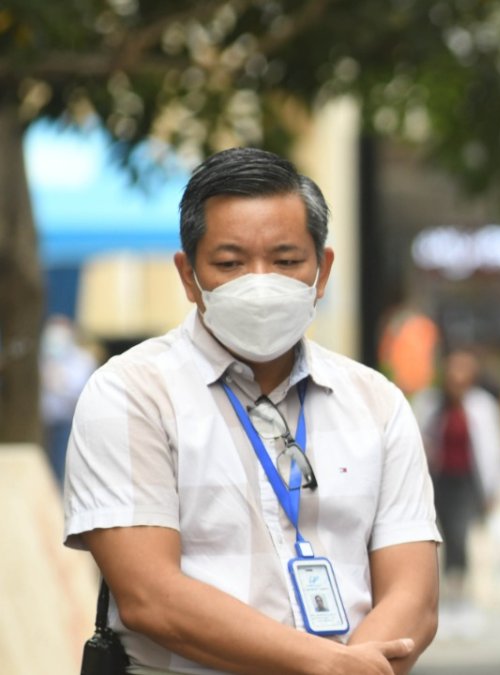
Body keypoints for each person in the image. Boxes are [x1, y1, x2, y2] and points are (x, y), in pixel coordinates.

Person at [62, 147, 441, 675]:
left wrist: (351, 669)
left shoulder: (376, 402)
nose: (260, 283)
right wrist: (324, 665)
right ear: (188, 275)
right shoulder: (131, 394)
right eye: (230, 263)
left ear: (322, 270)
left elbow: (414, 595)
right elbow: (151, 597)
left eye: (286, 261)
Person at [411, 347, 500, 636]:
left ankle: (459, 599)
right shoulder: (428, 403)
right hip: (436, 482)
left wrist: (496, 487)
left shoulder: (482, 406)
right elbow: (413, 442)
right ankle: (439, 601)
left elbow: (494, 448)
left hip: (466, 483)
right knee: (433, 541)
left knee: (459, 537)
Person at [39, 313, 97, 484]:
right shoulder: (42, 358)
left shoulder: (83, 360)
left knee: (63, 466)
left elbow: (83, 391)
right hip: (44, 422)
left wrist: (60, 383)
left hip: (68, 422)